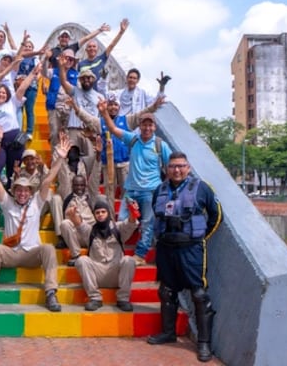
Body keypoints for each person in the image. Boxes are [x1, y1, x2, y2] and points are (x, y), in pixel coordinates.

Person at [0, 136, 69, 312]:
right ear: (14, 191)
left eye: (26, 190)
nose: (22, 193)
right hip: (11, 252)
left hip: (31, 253)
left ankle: (50, 293)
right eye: (19, 190)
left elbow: (47, 180)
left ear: (30, 192)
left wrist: (60, 158)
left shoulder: (36, 202)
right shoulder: (7, 203)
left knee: (48, 249)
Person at [146, 152, 222, 363]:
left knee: (199, 294)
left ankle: (204, 343)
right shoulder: (160, 190)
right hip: (166, 248)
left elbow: (216, 215)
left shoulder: (202, 188)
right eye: (172, 166)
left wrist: (200, 237)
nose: (176, 170)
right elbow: (157, 215)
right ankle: (168, 332)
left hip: (191, 249)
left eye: (181, 166)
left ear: (188, 168)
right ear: (167, 168)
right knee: (166, 291)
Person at [97, 100, 172, 266]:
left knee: (147, 224)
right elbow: (113, 129)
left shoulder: (160, 145)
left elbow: (171, 165)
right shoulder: (133, 139)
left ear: (154, 127)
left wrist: (165, 188)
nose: (147, 128)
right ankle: (116, 252)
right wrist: (104, 113)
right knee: (122, 221)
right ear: (139, 126)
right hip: (130, 191)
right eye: (144, 125)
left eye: (150, 125)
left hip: (150, 191)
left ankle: (140, 254)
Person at [0, 63, 38, 187]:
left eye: (4, 93)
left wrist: (32, 73)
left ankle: (11, 195)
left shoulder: (12, 102)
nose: (1, 95)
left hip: (15, 140)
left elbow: (22, 88)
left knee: (13, 171)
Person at [73, 198, 139, 312]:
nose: (100, 215)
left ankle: (123, 299)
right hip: (97, 274)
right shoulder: (90, 231)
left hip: (116, 274)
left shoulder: (118, 228)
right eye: (97, 212)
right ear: (94, 215)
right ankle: (95, 298)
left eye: (103, 212)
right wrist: (72, 215)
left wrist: (133, 213)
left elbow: (130, 224)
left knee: (129, 260)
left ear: (108, 213)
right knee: (82, 260)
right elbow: (80, 225)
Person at [78, 18, 129, 93]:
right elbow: (77, 81)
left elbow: (111, 45)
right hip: (85, 95)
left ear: (97, 49)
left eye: (94, 46)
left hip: (99, 95)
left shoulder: (101, 59)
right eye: (89, 47)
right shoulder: (80, 64)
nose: (92, 48)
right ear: (86, 50)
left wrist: (121, 32)